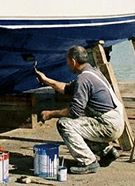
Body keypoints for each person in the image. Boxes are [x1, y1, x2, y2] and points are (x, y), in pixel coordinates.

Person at [35, 45, 124, 174]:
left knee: (65, 124)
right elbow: (66, 88)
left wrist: (50, 114)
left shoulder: (83, 79)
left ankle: (88, 162)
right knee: (81, 124)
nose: (67, 64)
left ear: (73, 61)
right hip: (115, 121)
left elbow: (74, 111)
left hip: (108, 125)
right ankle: (106, 152)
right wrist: (46, 80)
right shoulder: (92, 72)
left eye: (67, 61)